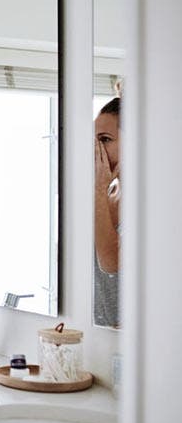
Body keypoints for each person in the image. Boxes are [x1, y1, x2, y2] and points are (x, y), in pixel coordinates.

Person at [93, 96, 121, 328]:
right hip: (102, 338)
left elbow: (111, 263)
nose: (96, 149)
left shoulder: (152, 203)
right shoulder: (106, 197)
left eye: (105, 139)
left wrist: (98, 187)